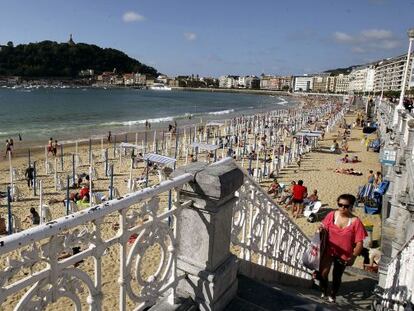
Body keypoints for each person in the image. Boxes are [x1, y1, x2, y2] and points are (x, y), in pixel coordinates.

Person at [319, 194, 367, 303]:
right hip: (329, 249)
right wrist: (320, 229)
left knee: (337, 275)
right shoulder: (332, 215)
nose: (342, 208)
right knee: (323, 273)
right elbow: (323, 226)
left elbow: (359, 243)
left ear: (351, 206)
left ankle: (333, 294)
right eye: (340, 205)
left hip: (344, 254)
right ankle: (324, 290)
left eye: (345, 206)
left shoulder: (355, 221)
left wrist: (353, 257)